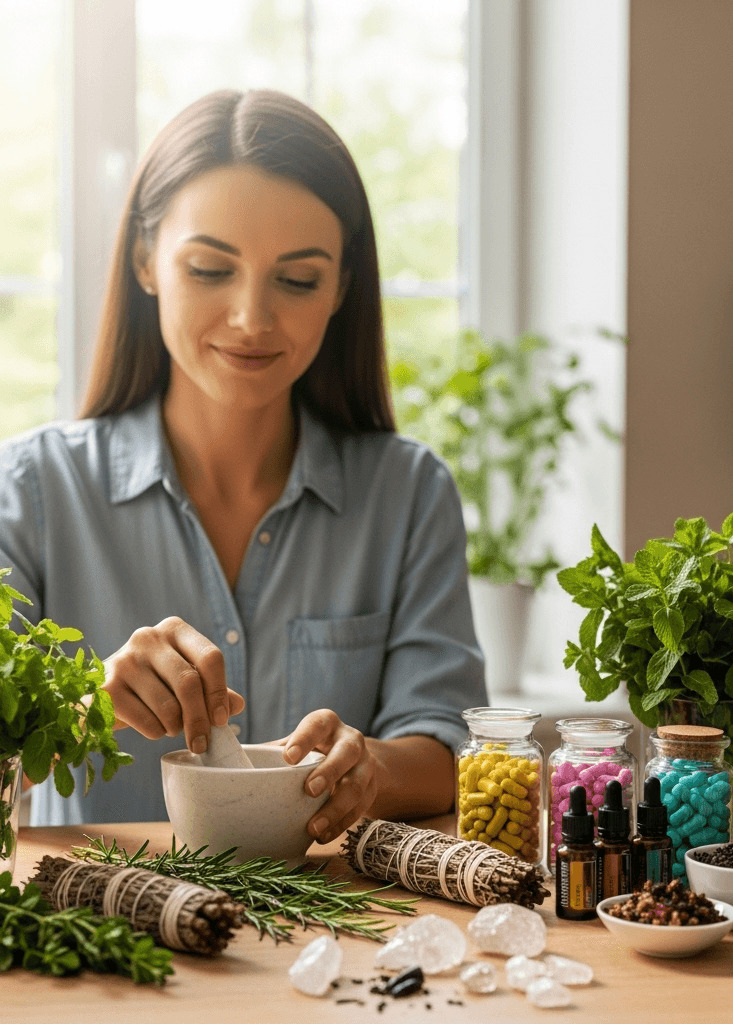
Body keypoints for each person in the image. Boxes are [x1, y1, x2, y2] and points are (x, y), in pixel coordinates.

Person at [0, 89, 486, 843]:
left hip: (340, 942)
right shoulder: (32, 492)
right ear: (145, 261)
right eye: (209, 269)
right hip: (106, 941)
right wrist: (90, 702)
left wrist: (369, 770)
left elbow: (449, 749)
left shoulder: (409, 493)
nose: (253, 319)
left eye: (297, 280)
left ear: (341, 289)